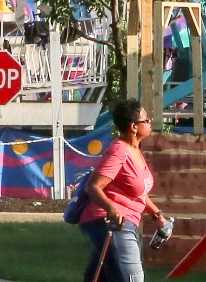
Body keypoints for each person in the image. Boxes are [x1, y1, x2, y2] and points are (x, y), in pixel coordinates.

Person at [80, 98, 171, 282]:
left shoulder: (134, 150)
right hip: (112, 223)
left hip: (125, 222)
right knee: (133, 279)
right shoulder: (119, 151)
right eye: (145, 120)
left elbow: (138, 193)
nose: (149, 122)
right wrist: (111, 208)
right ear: (134, 127)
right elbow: (93, 186)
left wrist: (158, 215)